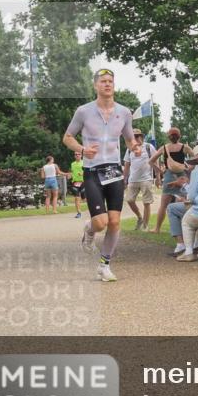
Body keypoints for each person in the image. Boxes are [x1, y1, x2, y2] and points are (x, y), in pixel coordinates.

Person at [63, 68, 140, 282]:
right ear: (96, 85)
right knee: (100, 222)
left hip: (114, 170)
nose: (107, 84)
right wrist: (82, 148)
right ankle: (89, 231)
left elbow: (129, 138)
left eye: (111, 81)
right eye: (103, 81)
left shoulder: (124, 112)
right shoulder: (83, 111)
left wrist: (135, 147)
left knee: (115, 221)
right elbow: (67, 137)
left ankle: (104, 265)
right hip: (93, 171)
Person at [149, 127, 192, 233]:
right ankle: (184, 228)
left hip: (169, 176)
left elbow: (151, 161)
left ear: (168, 137)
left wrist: (160, 171)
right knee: (182, 204)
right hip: (182, 177)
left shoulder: (164, 148)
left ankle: (157, 228)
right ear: (179, 136)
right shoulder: (185, 147)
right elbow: (197, 158)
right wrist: (188, 169)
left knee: (163, 205)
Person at [124, 128, 157, 231]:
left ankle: (145, 226)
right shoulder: (130, 149)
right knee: (129, 200)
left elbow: (156, 161)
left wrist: (158, 177)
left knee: (146, 202)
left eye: (137, 136)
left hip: (146, 179)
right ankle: (139, 217)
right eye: (133, 137)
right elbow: (126, 165)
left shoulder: (148, 147)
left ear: (142, 137)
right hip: (133, 179)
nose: (135, 138)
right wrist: (124, 180)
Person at [68, 150, 85, 218]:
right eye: (76, 154)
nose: (77, 155)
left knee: (84, 199)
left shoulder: (84, 163)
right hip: (75, 183)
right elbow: (72, 172)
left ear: (81, 155)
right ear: (74, 156)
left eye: (78, 154)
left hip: (83, 182)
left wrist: (83, 173)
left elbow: (88, 171)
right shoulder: (72, 164)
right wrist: (70, 175)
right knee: (77, 198)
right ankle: (79, 212)